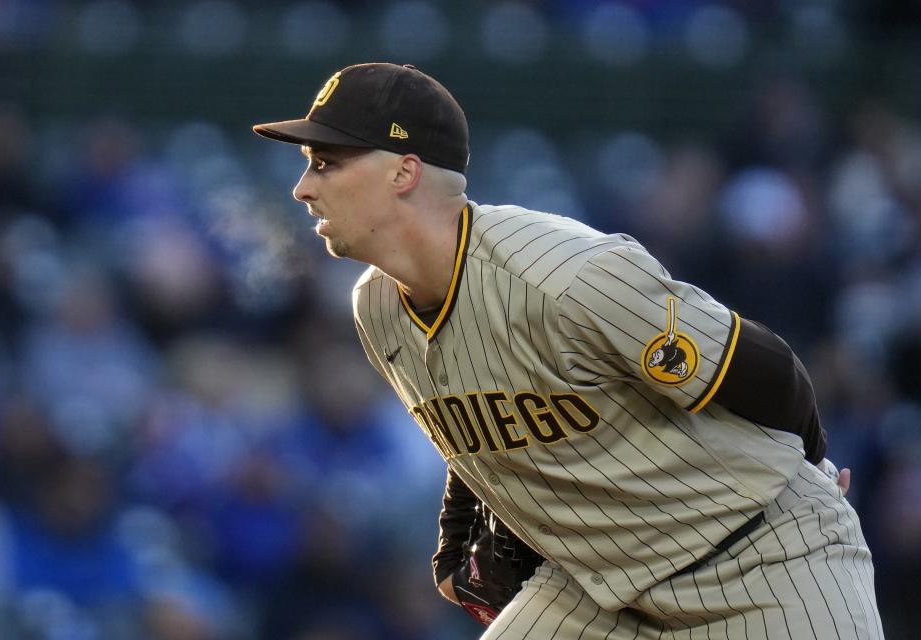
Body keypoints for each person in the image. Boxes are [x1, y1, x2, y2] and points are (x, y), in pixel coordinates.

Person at [252, 63, 883, 639]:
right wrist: (454, 544)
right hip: (597, 590)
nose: (303, 187)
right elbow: (474, 419)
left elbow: (762, 366)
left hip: (759, 555)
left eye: (326, 162)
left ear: (403, 171)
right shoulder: (378, 307)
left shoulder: (561, 276)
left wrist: (812, 459)